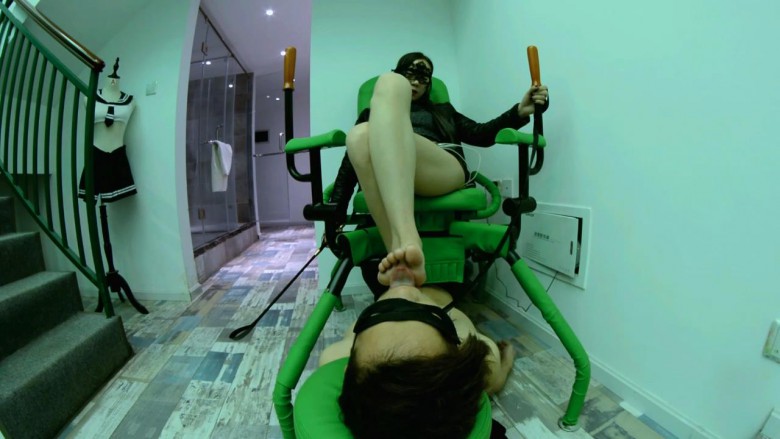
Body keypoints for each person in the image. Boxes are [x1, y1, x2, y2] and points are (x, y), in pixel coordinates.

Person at [330, 52, 549, 288]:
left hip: (439, 168)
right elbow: (351, 164)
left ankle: (407, 240)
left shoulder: (442, 111)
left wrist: (519, 111)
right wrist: (335, 214)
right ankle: (400, 256)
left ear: (429, 84)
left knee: (387, 85)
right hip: (390, 175)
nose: (415, 82)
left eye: (423, 77)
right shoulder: (370, 116)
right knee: (358, 136)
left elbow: (481, 133)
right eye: (409, 74)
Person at [319, 263, 516, 439]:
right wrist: (505, 364)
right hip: (444, 281)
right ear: (457, 345)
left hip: (381, 276)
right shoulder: (477, 350)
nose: (404, 290)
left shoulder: (333, 356)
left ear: (348, 368)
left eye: (385, 311)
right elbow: (492, 380)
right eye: (425, 313)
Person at [78, 58, 137, 203]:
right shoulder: (89, 98)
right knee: (92, 196)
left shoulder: (130, 101)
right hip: (95, 154)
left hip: (118, 155)